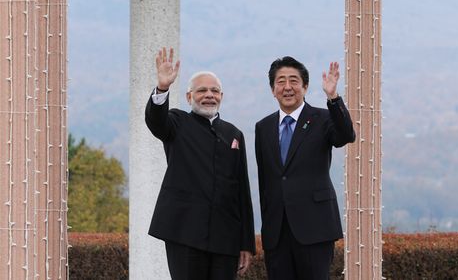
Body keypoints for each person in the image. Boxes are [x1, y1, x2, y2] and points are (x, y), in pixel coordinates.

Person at [145, 47, 255, 280]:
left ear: (222, 96)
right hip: (184, 231)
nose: (209, 95)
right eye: (202, 90)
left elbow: (242, 191)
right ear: (189, 96)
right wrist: (163, 87)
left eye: (215, 91)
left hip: (225, 236)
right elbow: (156, 122)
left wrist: (246, 243)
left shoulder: (233, 133)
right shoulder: (177, 121)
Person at [255, 56, 355, 280]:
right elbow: (266, 180)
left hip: (315, 227)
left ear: (305, 86)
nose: (287, 87)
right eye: (281, 82)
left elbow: (346, 135)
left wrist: (333, 97)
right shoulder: (263, 127)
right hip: (276, 232)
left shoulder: (323, 118)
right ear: (273, 89)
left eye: (294, 81)